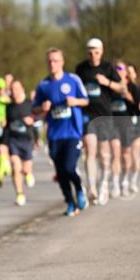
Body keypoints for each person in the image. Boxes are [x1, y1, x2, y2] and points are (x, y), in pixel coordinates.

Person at [33, 48, 89, 216]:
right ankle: (69, 203)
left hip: (72, 132)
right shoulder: (43, 85)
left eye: (55, 60)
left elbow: (86, 100)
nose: (52, 64)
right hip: (54, 135)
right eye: (49, 61)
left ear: (62, 62)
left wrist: (75, 101)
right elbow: (34, 108)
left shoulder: (73, 80)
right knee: (61, 172)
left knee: (70, 167)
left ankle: (79, 190)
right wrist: (42, 108)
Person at [74, 38, 124, 205]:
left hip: (104, 114)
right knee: (89, 151)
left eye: (96, 51)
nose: (93, 55)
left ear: (101, 51)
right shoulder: (81, 69)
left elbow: (121, 87)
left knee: (104, 154)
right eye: (90, 51)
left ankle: (104, 185)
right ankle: (92, 188)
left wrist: (107, 82)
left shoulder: (108, 68)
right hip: (87, 114)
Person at [113, 62, 140, 195]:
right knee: (115, 155)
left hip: (132, 124)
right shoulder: (110, 87)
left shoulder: (133, 87)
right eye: (116, 69)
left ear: (125, 71)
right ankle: (116, 184)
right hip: (113, 124)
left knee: (129, 156)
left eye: (121, 68)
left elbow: (139, 107)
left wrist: (126, 94)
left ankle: (128, 180)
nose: (118, 71)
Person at [5, 81, 36, 206]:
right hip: (14, 141)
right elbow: (6, 125)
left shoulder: (30, 104)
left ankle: (28, 173)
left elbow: (38, 117)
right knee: (15, 167)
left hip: (27, 140)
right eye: (12, 89)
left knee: (25, 168)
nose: (14, 91)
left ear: (22, 89)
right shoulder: (9, 107)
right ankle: (20, 194)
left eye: (17, 88)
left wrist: (32, 120)